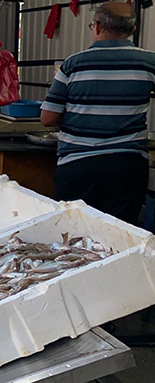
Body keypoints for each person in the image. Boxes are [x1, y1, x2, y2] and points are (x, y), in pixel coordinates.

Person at [41, 2, 155, 225]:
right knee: (121, 235)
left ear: (98, 27)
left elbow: (48, 119)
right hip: (127, 166)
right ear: (132, 31)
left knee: (73, 235)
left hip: (78, 166)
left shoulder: (73, 65)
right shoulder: (149, 63)